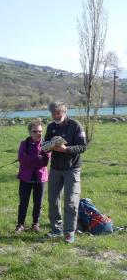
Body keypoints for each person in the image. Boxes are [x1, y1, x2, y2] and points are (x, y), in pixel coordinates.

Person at [44, 102, 87, 243]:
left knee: (71, 202)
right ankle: (56, 229)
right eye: (53, 113)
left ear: (65, 112)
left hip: (72, 169)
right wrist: (48, 147)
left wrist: (66, 149)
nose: (56, 116)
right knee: (53, 200)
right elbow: (44, 144)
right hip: (56, 168)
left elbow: (82, 146)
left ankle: (69, 233)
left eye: (58, 113)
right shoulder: (51, 126)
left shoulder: (76, 126)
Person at [15, 119, 50, 233]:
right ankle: (20, 224)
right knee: (23, 202)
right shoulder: (24, 144)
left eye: (40, 131)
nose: (38, 133)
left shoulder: (46, 144)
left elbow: (45, 161)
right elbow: (22, 159)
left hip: (40, 178)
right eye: (35, 131)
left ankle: (35, 223)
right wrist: (37, 158)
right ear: (30, 132)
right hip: (26, 177)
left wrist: (30, 158)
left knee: (38, 203)